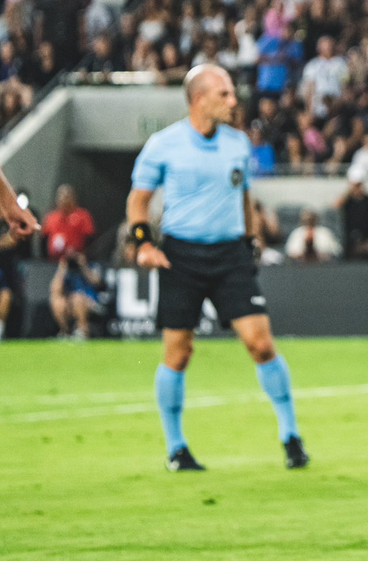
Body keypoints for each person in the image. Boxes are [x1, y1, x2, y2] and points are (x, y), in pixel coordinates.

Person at [127, 65, 308, 472]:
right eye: (224, 93)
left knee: (261, 344)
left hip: (230, 255)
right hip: (181, 256)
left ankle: (291, 436)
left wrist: (251, 239)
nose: (233, 100)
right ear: (199, 99)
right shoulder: (163, 145)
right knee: (178, 353)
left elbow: (244, 198)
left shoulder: (238, 143)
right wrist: (143, 243)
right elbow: (138, 201)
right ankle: (176, 448)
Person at [49, 250, 105, 340]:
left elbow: (96, 282)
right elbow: (54, 289)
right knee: (57, 301)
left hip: (91, 302)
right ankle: (65, 331)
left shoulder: (93, 266)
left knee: (78, 298)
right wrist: (61, 269)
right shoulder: (67, 270)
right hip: (70, 302)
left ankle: (83, 331)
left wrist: (83, 266)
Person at [338, 168, 368, 260]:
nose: (357, 188)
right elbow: (335, 207)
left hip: (366, 239)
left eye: (359, 185)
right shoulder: (347, 201)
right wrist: (349, 192)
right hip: (349, 240)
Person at [42, 184, 94, 261]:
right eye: (61, 196)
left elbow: (90, 239)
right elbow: (44, 240)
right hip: (54, 261)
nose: (64, 199)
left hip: (76, 260)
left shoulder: (83, 216)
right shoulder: (50, 217)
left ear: (73, 198)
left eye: (67, 196)